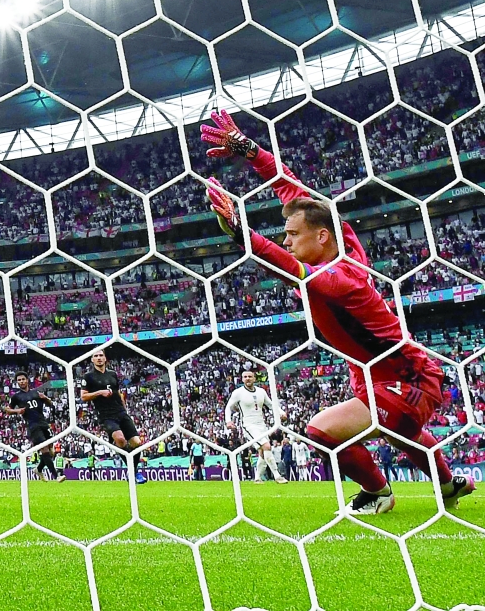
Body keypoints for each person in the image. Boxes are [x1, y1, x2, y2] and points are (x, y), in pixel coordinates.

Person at [201, 109, 475, 513]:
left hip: (408, 375)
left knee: (322, 431)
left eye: (293, 235)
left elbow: (289, 267)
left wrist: (245, 235)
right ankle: (449, 485)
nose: (288, 240)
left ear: (321, 237)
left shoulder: (343, 276)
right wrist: (251, 152)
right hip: (373, 373)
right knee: (402, 434)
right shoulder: (340, 236)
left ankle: (378, 494)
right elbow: (294, 192)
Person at [80, 349, 147, 484]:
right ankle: (133, 471)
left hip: (120, 412)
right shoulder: (88, 377)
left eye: (101, 355)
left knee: (137, 443)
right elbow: (83, 396)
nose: (99, 358)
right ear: (92, 360)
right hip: (105, 415)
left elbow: (117, 392)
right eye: (96, 356)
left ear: (105, 358)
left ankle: (132, 470)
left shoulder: (112, 374)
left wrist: (124, 406)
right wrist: (100, 392)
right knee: (120, 439)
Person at [225, 370, 287, 484]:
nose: (247, 378)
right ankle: (278, 476)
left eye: (250, 376)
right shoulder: (238, 393)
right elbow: (228, 407)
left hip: (261, 424)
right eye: (245, 377)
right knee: (267, 446)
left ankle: (257, 478)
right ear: (242, 379)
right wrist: (228, 421)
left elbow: (270, 404)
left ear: (254, 378)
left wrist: (281, 412)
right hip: (248, 425)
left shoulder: (261, 391)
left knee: (263, 452)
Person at [4, 370, 66, 482]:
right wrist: (17, 410)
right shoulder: (16, 397)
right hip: (32, 425)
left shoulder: (36, 393)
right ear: (17, 382)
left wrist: (45, 398)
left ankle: (38, 469)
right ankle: (56, 476)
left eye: (23, 379)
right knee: (44, 449)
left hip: (43, 423)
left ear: (27, 380)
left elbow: (50, 404)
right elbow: (7, 410)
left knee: (51, 452)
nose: (21, 382)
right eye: (19, 380)